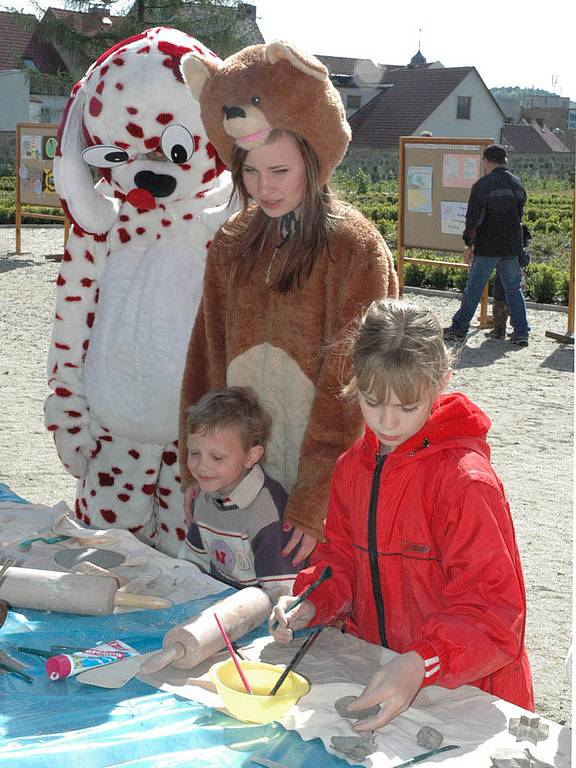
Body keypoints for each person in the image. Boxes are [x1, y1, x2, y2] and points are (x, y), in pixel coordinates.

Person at [178, 42, 398, 566]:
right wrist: (200, 466)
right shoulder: (231, 242)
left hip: (320, 482)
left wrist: (315, 496)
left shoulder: (354, 248)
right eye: (250, 172)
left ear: (313, 158)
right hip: (237, 476)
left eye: (279, 171)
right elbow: (205, 357)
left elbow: (355, 384)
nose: (263, 188)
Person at [270, 298, 534, 732]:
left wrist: (423, 661)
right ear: (355, 382)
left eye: (407, 407)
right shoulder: (352, 466)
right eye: (372, 402)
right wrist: (312, 601)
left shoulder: (466, 483)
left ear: (441, 382)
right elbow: (340, 561)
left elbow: (495, 614)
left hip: (468, 690)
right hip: (384, 671)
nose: (387, 422)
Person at [182, 387, 298, 599]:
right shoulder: (205, 495)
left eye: (217, 458)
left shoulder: (267, 514)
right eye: (195, 453)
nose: (201, 467)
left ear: (251, 456)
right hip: (216, 605)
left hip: (258, 617)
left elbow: (282, 596)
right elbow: (192, 564)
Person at [444, 144, 530, 346]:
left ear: (486, 161)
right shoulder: (516, 183)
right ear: (504, 161)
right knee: (513, 289)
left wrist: (469, 244)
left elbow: (473, 219)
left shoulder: (482, 185)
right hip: (512, 246)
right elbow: (519, 214)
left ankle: (458, 329)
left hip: (488, 246)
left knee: (473, 289)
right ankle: (521, 332)